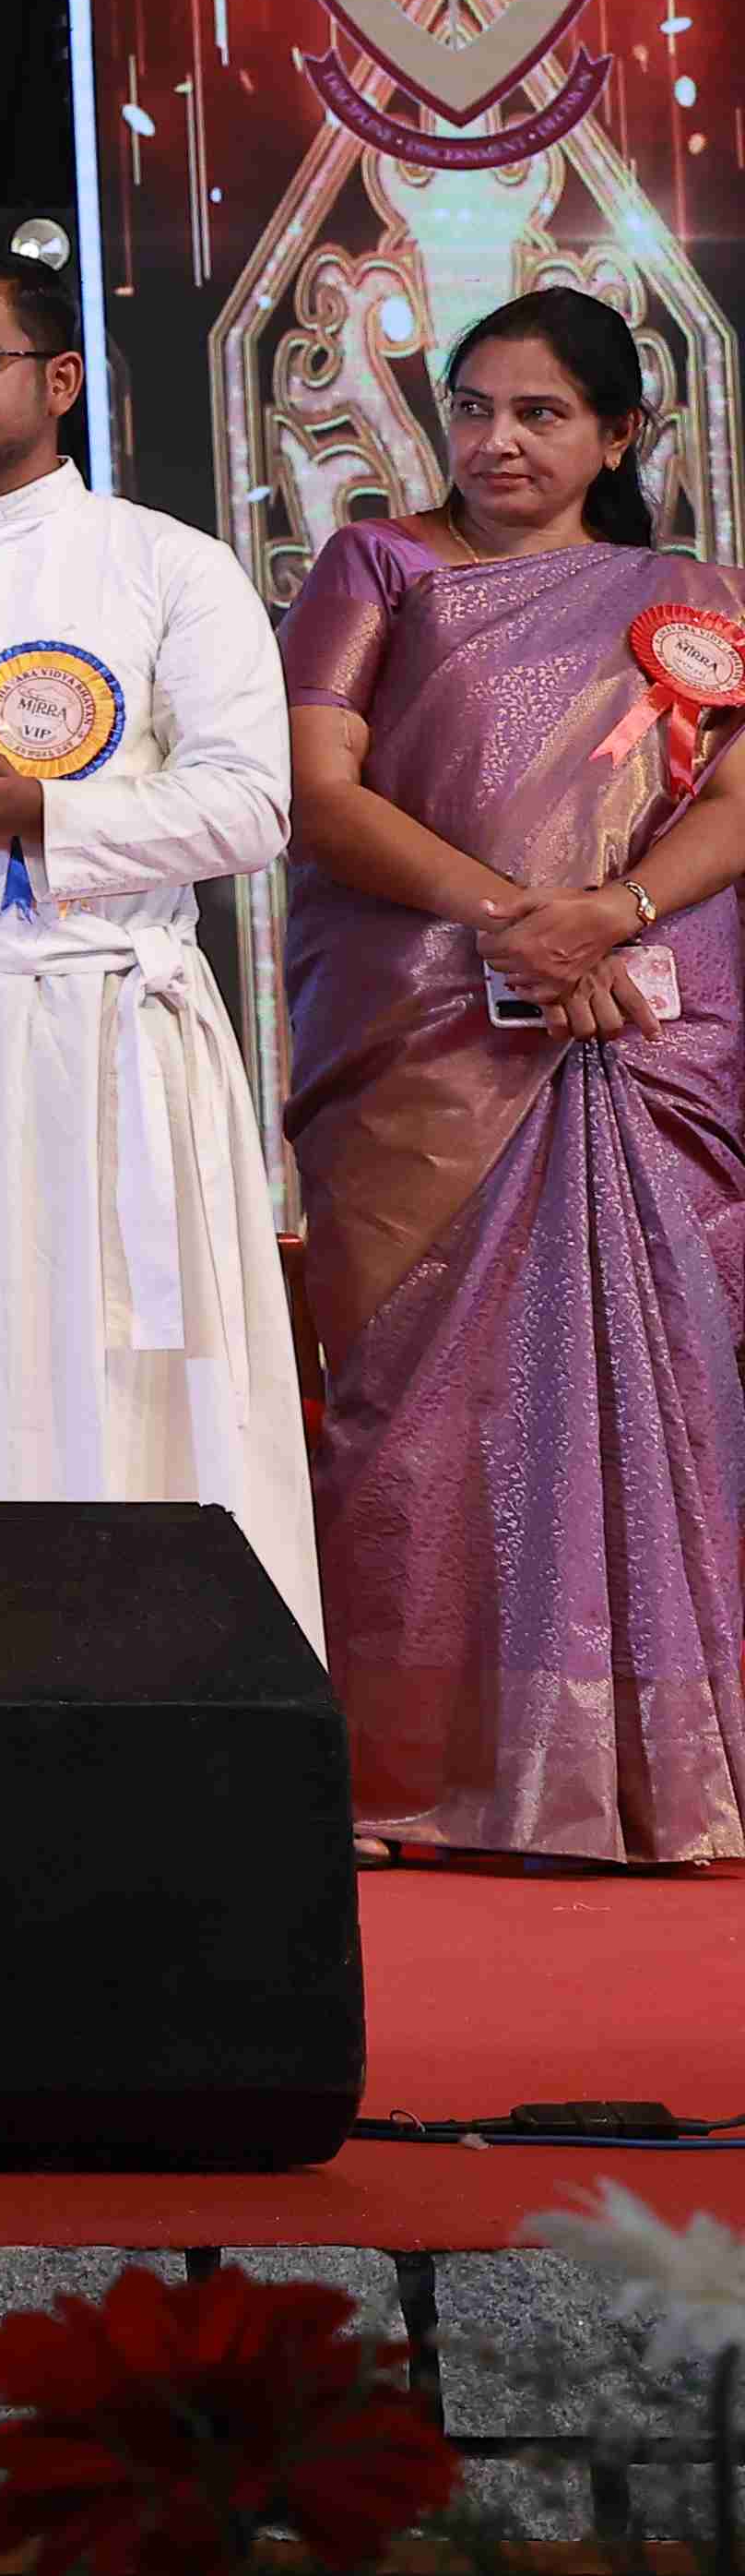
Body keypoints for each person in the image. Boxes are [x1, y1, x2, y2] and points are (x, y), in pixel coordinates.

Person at [279, 286, 745, 1864]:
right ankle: (417, 1767)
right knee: (419, 1397)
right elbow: (321, 794)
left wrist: (612, 917)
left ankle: (660, 1777)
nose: (497, 442)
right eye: (473, 408)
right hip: (425, 1028)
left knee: (667, 1382)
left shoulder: (693, 599)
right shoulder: (379, 566)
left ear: (620, 436)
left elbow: (733, 797)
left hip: (645, 1029)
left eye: (541, 414)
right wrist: (514, 922)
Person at [0, 248, 315, 1634]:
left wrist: (42, 814)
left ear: (62, 380)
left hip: (105, 1033)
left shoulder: (167, 564)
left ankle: (175, 1691)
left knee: (129, 1382)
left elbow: (251, 803)